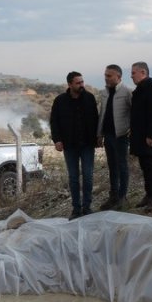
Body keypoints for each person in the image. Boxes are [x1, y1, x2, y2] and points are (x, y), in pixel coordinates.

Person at [50, 71, 100, 219]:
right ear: (70, 84)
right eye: (78, 83)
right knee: (73, 177)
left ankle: (87, 207)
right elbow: (54, 122)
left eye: (82, 82)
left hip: (87, 144)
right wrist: (57, 140)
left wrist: (98, 137)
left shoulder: (89, 98)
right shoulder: (60, 101)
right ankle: (76, 209)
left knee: (88, 176)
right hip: (70, 145)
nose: (81, 85)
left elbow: (95, 119)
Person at [129, 61, 152, 210]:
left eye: (133, 73)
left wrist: (151, 135)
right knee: (145, 166)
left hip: (149, 137)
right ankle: (148, 194)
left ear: (143, 72)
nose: (131, 76)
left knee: (151, 166)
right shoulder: (140, 90)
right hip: (140, 136)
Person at [97, 64, 132, 210]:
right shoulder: (104, 93)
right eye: (105, 75)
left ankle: (122, 197)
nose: (106, 78)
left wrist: (131, 129)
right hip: (108, 135)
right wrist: (99, 134)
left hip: (121, 136)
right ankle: (113, 196)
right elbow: (102, 114)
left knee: (122, 166)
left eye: (109, 76)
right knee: (112, 167)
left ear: (118, 77)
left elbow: (134, 112)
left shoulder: (127, 92)